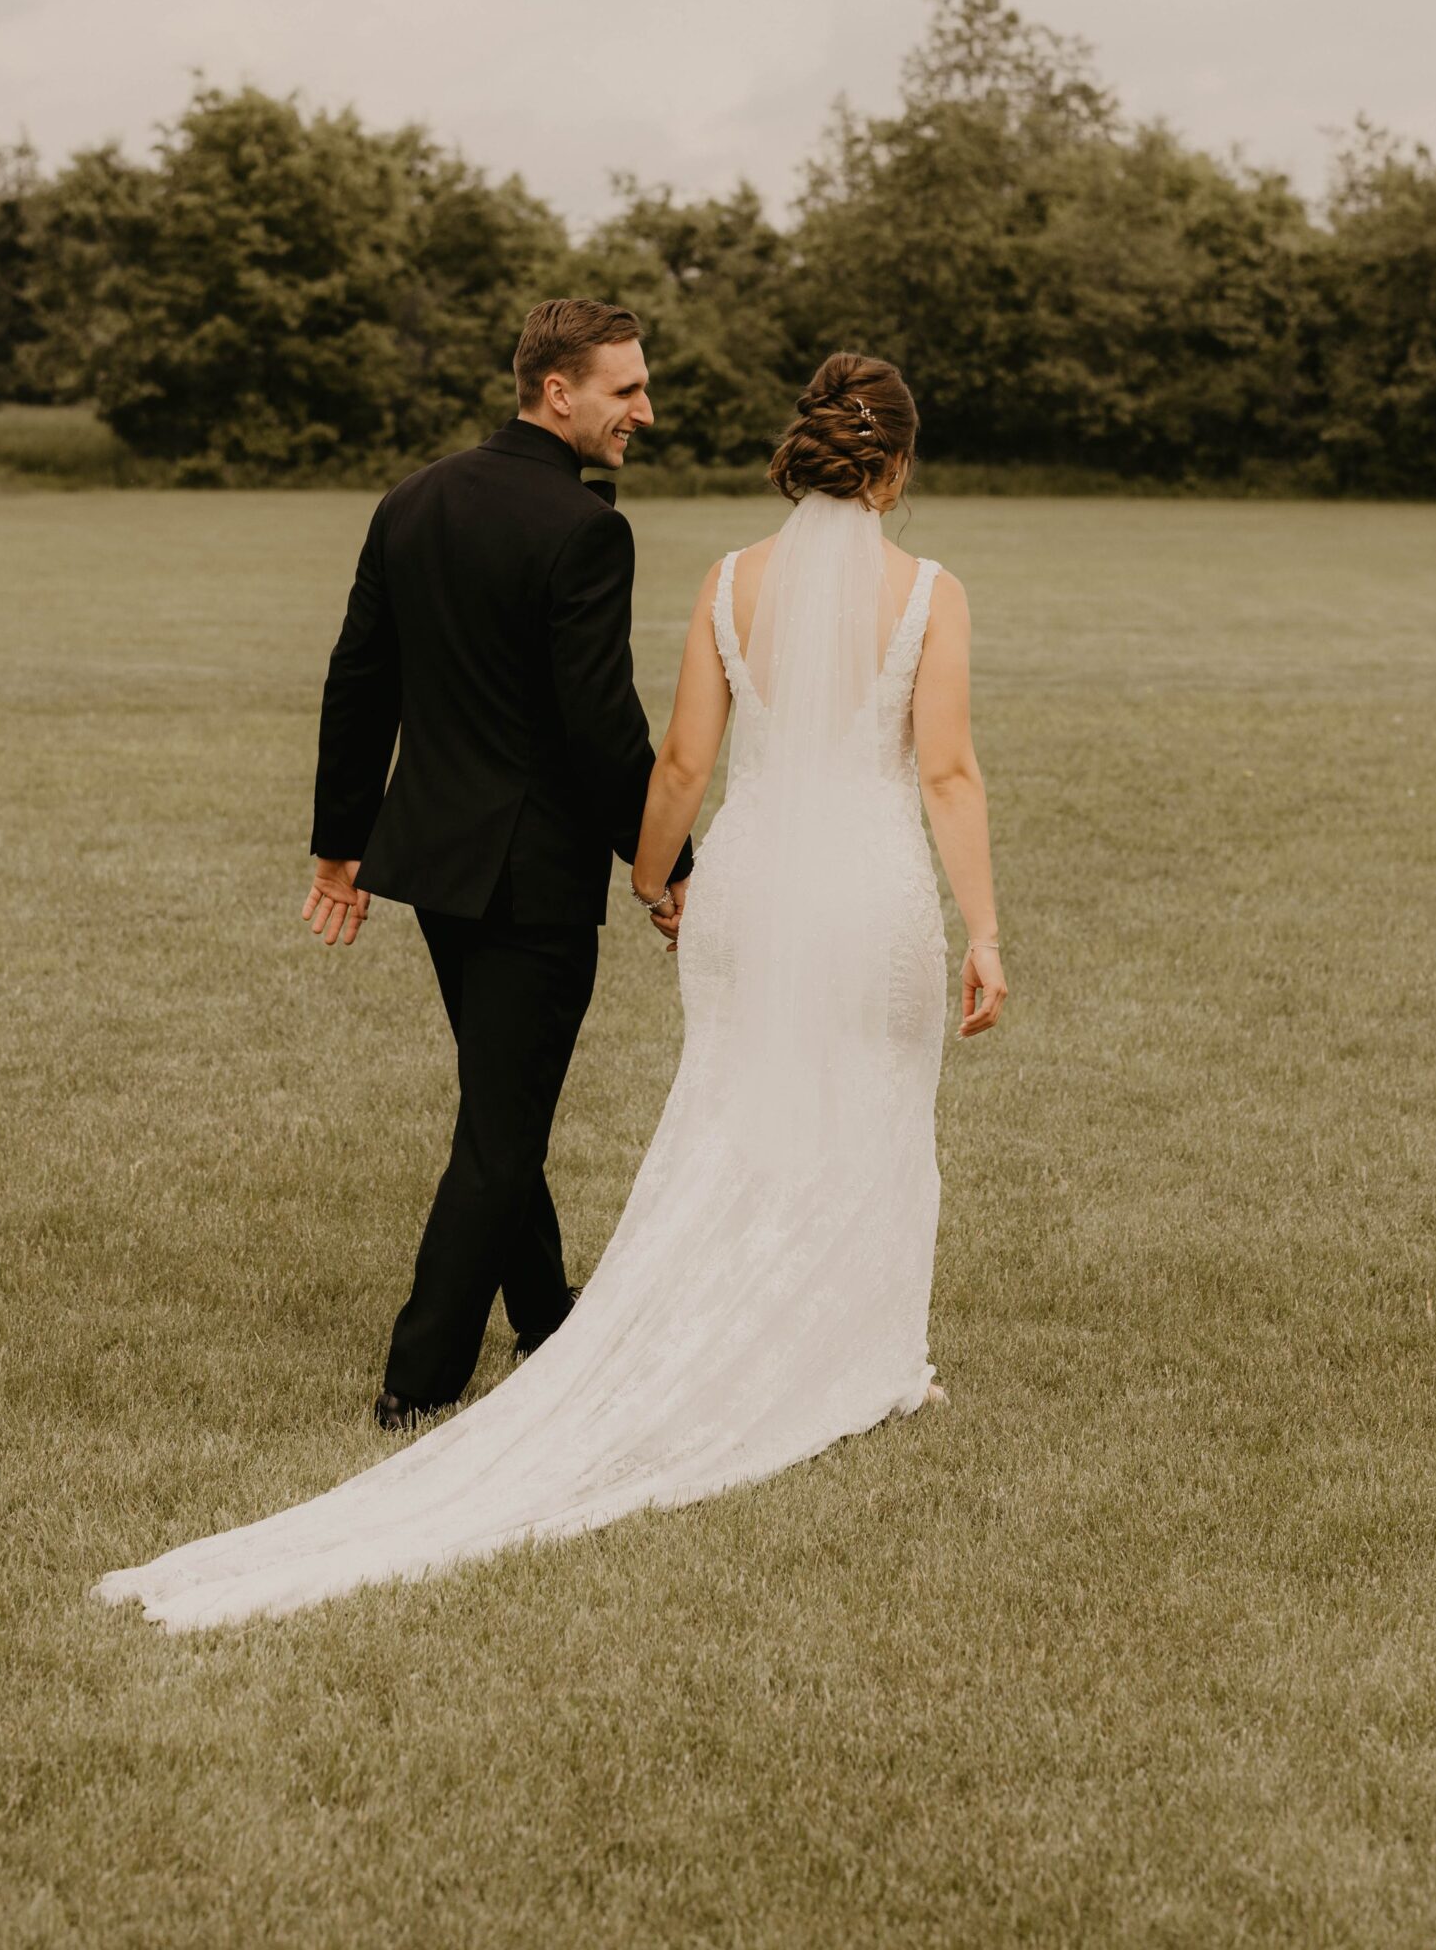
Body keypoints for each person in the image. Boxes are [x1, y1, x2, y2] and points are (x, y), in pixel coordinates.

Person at [93, 350, 1007, 1630]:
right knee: (831, 1101)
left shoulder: (707, 574)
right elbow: (936, 773)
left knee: (695, 1101)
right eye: (624, 387)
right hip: (815, 881)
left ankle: (586, 1319)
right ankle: (829, 1356)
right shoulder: (894, 585)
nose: (639, 408)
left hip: (677, 878)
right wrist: (982, 929)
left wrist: (655, 873)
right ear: (897, 466)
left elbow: (675, 752)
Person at [302, 296, 692, 1426]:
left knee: (497, 1100)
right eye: (625, 390)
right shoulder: (583, 530)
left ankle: (547, 1321)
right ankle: (415, 1386)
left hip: (435, 863)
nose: (644, 411)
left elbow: (356, 677)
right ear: (556, 391)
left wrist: (343, 845)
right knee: (501, 1130)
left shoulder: (411, 498)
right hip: (532, 879)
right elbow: (601, 729)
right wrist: (668, 862)